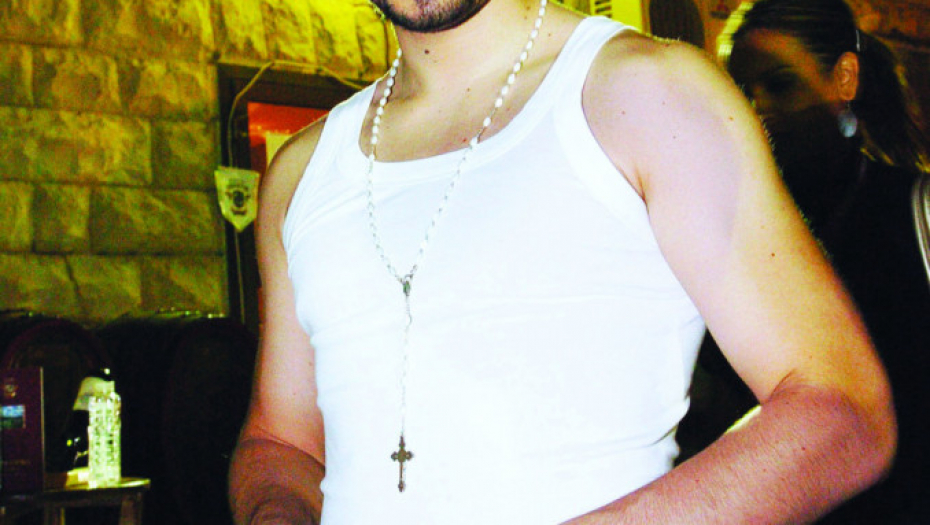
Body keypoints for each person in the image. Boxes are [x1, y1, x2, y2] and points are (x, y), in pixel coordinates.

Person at [228, 0, 897, 523]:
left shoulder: (644, 94)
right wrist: (276, 512)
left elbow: (841, 407)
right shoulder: (301, 173)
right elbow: (282, 443)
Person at [697, 0, 929, 523]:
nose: (755, 110)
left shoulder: (912, 213)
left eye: (780, 85)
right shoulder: (717, 234)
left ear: (844, 78)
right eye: (740, 91)